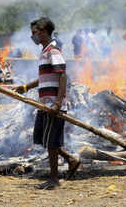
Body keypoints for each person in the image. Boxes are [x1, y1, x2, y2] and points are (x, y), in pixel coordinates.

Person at [15, 17, 81, 190]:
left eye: (34, 32)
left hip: (53, 105)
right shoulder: (44, 52)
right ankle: (71, 160)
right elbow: (45, 77)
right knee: (43, 140)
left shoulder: (53, 51)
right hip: (44, 104)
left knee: (52, 142)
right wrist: (26, 87)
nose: (33, 36)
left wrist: (58, 103)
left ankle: (54, 179)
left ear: (44, 32)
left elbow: (63, 75)